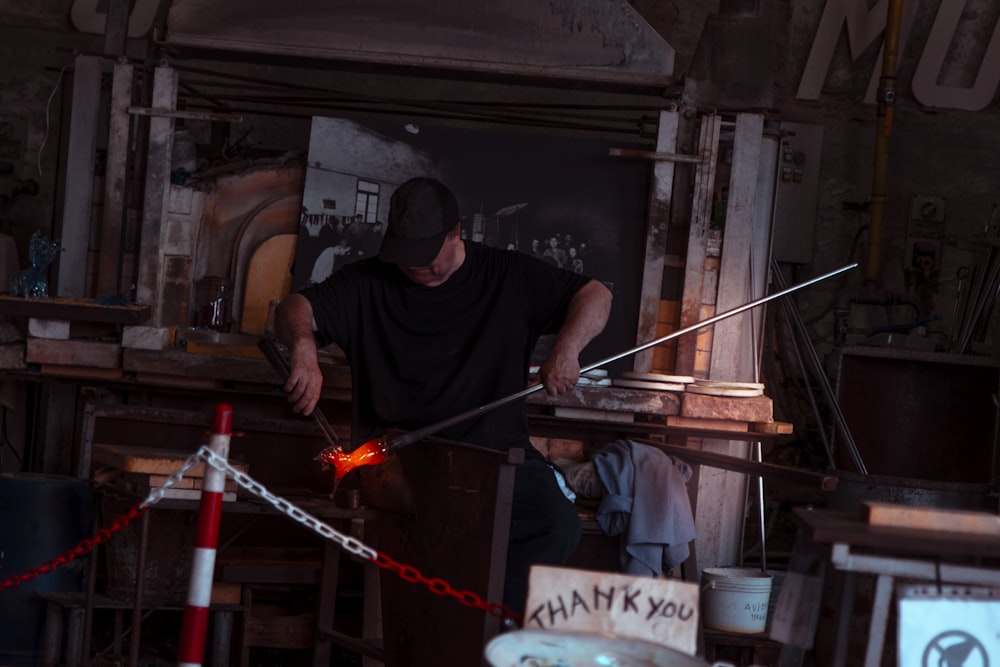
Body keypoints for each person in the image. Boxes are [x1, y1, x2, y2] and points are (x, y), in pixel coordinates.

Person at [274, 176, 612, 617]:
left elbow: (595, 294)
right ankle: (446, 639)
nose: (414, 267)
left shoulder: (507, 276)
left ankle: (486, 637)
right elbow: (295, 308)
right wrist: (303, 347)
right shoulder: (368, 281)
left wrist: (567, 348)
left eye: (425, 256)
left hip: (495, 454)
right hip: (401, 459)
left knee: (555, 523)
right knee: (436, 538)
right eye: (404, 256)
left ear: (456, 232)